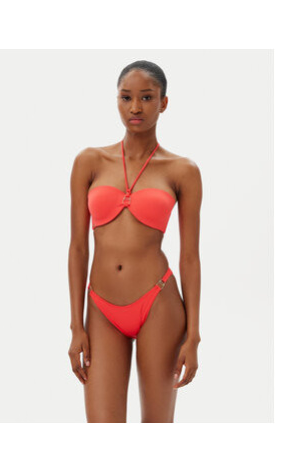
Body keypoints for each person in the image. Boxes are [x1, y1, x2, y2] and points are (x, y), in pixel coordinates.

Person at [68, 60, 202, 423]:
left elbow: (190, 257)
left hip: (158, 302)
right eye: (126, 97)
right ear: (117, 100)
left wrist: (193, 335)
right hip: (101, 307)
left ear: (164, 103)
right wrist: (76, 325)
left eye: (147, 97)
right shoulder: (89, 162)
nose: (136, 107)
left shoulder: (182, 170)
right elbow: (78, 247)